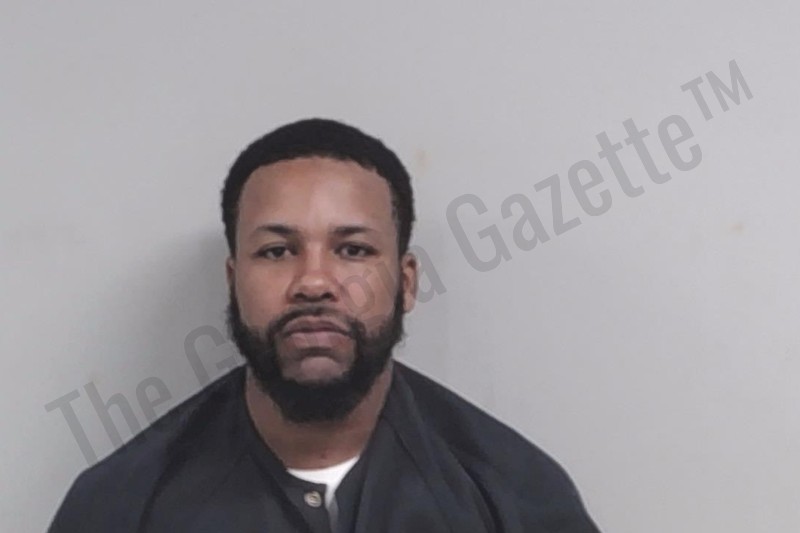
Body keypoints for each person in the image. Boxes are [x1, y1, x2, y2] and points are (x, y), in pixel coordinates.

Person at [48, 118, 601, 532]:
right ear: (233, 280)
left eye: (353, 249)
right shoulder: (121, 506)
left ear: (406, 281)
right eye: (277, 251)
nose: (314, 282)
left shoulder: (516, 497)